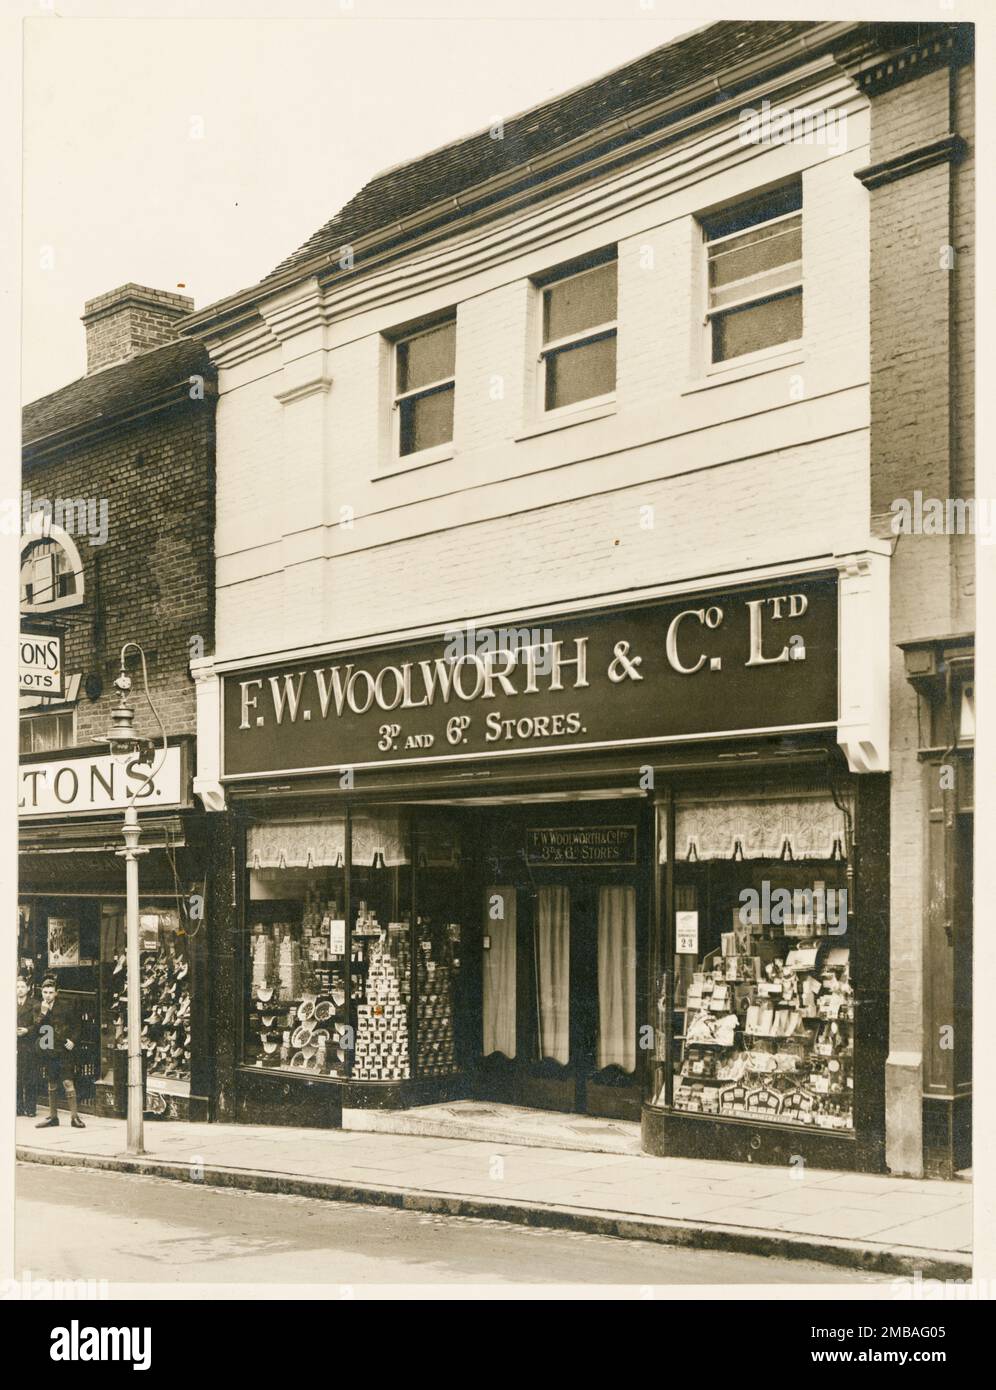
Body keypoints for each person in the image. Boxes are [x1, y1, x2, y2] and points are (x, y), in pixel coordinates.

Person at [34, 976, 85, 1128]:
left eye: (50, 992)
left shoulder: (66, 1007)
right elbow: (35, 1029)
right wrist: (43, 1013)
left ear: (56, 993)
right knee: (52, 1082)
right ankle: (53, 1117)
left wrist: (73, 1040)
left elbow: (77, 1025)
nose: (47, 995)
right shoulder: (38, 1008)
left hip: (63, 1050)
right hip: (49, 1050)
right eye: (45, 992)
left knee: (68, 1081)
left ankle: (74, 1118)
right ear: (41, 992)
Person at [16, 976, 39, 1116]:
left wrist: (27, 1030)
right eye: (17, 987)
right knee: (16, 1077)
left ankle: (30, 1108)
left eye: (22, 987)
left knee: (30, 1077)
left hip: (29, 1044)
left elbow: (39, 1025)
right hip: (14, 1045)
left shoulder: (35, 1004)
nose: (19, 990)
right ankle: (18, 1107)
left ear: (28, 988)